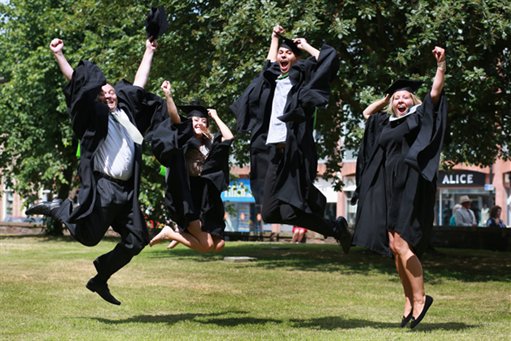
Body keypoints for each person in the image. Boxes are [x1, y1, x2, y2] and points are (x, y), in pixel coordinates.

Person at [25, 37, 165, 305]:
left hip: (127, 190)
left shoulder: (127, 115)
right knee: (89, 237)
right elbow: (78, 83)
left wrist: (148, 50)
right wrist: (59, 56)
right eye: (103, 93)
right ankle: (60, 208)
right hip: (105, 186)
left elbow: (139, 83)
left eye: (111, 91)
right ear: (98, 98)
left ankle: (100, 278)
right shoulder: (97, 118)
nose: (108, 95)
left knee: (137, 240)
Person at [230, 25, 351, 253]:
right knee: (271, 212)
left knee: (289, 209)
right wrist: (274, 39)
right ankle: (335, 228)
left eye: (288, 53)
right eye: (281, 53)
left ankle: (324, 216)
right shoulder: (271, 79)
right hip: (274, 155)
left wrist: (304, 46)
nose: (283, 56)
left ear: (296, 58)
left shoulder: (304, 77)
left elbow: (329, 60)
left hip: (294, 152)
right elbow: (267, 66)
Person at [352, 46, 447, 328]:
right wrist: (386, 97)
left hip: (410, 183)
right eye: (397, 98)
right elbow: (367, 113)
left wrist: (440, 66)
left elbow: (435, 94)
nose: (401, 100)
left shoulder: (419, 116)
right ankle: (408, 300)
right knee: (394, 245)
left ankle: (421, 299)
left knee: (403, 243)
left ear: (413, 100)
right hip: (389, 185)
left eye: (405, 96)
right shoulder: (386, 121)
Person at [148, 80, 234, 252]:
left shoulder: (211, 144)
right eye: (195, 120)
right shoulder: (184, 140)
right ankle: (169, 233)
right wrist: (168, 95)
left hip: (207, 196)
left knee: (219, 245)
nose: (199, 122)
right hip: (187, 195)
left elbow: (229, 137)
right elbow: (175, 118)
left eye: (202, 120)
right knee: (206, 245)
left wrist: (215, 117)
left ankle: (179, 233)